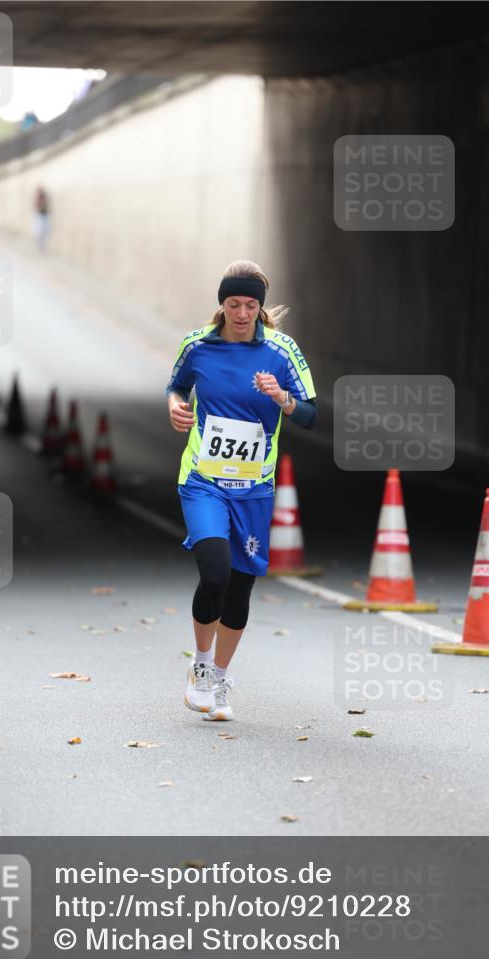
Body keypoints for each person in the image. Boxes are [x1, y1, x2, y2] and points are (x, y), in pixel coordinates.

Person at [166, 260, 318, 722]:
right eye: (234, 303)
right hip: (203, 481)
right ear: (222, 304)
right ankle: (200, 665)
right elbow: (176, 387)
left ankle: (221, 678)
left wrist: (282, 400)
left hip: (253, 488)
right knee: (215, 573)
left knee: (240, 586)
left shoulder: (281, 350)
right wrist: (176, 409)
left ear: (260, 306)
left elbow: (311, 413)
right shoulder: (198, 345)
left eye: (251, 304)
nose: (242, 312)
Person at [33, 186, 51, 253]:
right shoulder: (39, 197)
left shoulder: (43, 196)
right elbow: (38, 206)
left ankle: (42, 247)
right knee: (39, 232)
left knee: (44, 232)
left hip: (44, 216)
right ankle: (40, 247)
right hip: (40, 216)